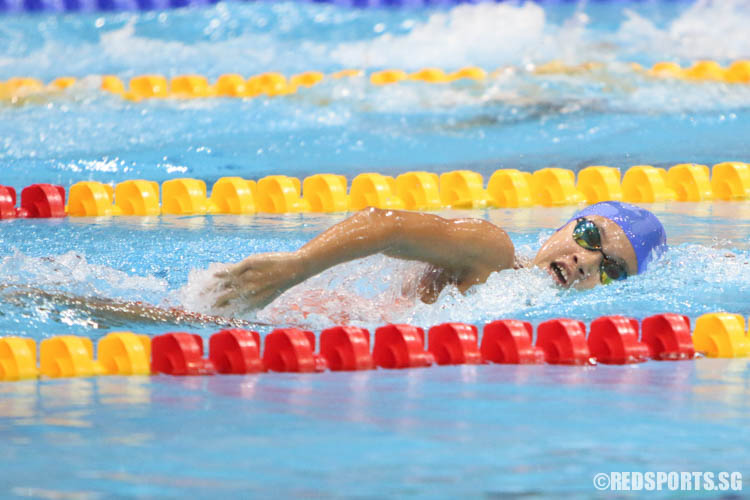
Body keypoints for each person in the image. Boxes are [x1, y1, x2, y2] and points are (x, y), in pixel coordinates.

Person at [214, 201, 667, 310]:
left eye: (612, 270)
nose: (587, 260)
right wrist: (298, 266)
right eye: (588, 235)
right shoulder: (491, 253)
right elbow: (386, 225)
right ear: (563, 225)